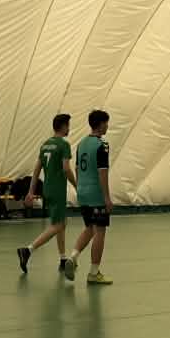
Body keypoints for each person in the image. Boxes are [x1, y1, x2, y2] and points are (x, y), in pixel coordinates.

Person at [18, 113, 76, 279]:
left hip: (47, 189)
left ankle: (63, 259)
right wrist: (76, 185)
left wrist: (31, 192)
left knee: (61, 222)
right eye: (68, 125)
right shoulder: (63, 145)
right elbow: (66, 168)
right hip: (57, 190)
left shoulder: (45, 145)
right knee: (58, 225)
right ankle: (28, 250)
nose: (69, 128)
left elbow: (36, 170)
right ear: (63, 126)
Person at [68, 109, 115, 285]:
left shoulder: (81, 144)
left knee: (89, 228)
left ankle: (73, 257)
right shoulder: (102, 145)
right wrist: (107, 198)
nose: (107, 126)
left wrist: (80, 188)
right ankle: (94, 273)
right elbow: (103, 172)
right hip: (96, 194)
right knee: (100, 232)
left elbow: (77, 168)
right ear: (101, 124)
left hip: (82, 192)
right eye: (106, 123)